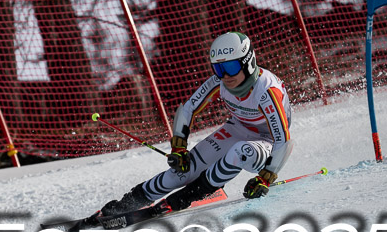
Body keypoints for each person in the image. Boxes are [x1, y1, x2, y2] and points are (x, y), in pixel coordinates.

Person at [100, 31, 293, 218]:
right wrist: (179, 148)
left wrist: (266, 177)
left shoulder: (267, 91)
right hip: (238, 128)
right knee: (182, 172)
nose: (225, 75)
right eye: (219, 69)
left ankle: (186, 197)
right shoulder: (219, 83)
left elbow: (283, 139)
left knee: (240, 151)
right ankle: (127, 203)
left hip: (267, 141)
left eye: (232, 67)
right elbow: (187, 110)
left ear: (248, 62)